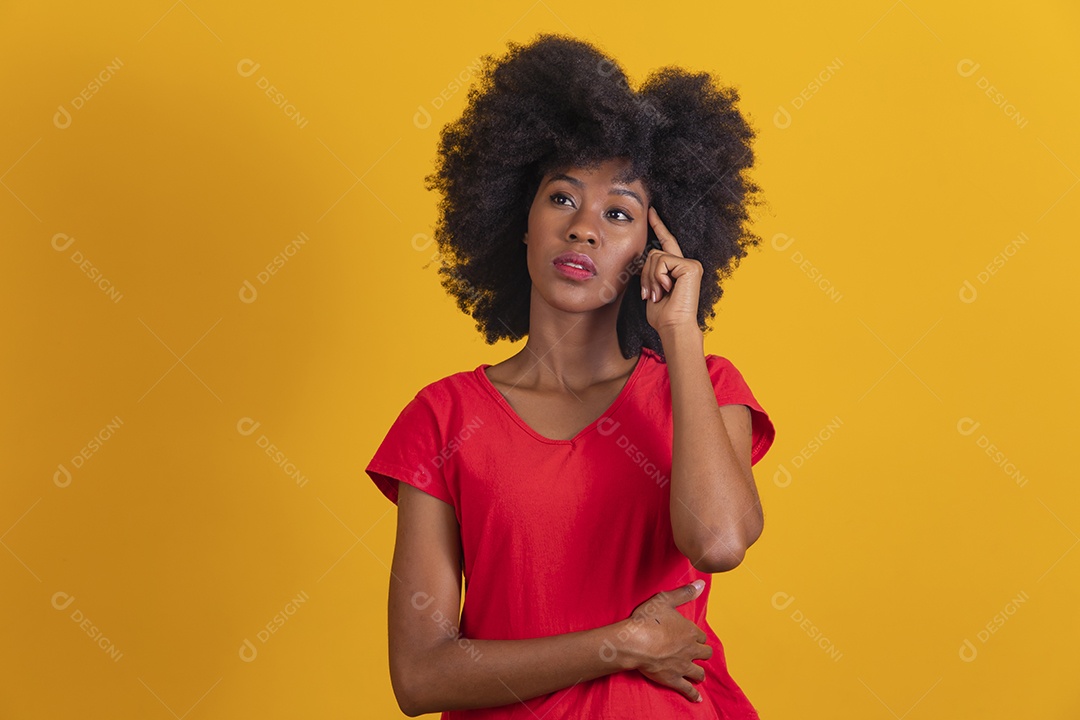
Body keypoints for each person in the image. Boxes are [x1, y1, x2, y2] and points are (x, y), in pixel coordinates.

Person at [365, 33, 776, 719]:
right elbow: (421, 675)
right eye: (562, 199)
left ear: (656, 247)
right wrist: (624, 643)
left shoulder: (701, 386)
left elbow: (719, 541)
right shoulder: (444, 418)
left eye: (619, 213)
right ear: (518, 222)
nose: (584, 228)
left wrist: (679, 330)